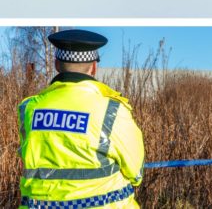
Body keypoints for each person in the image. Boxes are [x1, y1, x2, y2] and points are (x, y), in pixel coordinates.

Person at [17, 29, 145, 208]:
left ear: (56, 64)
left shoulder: (28, 109)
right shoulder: (112, 110)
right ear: (93, 67)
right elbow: (136, 173)